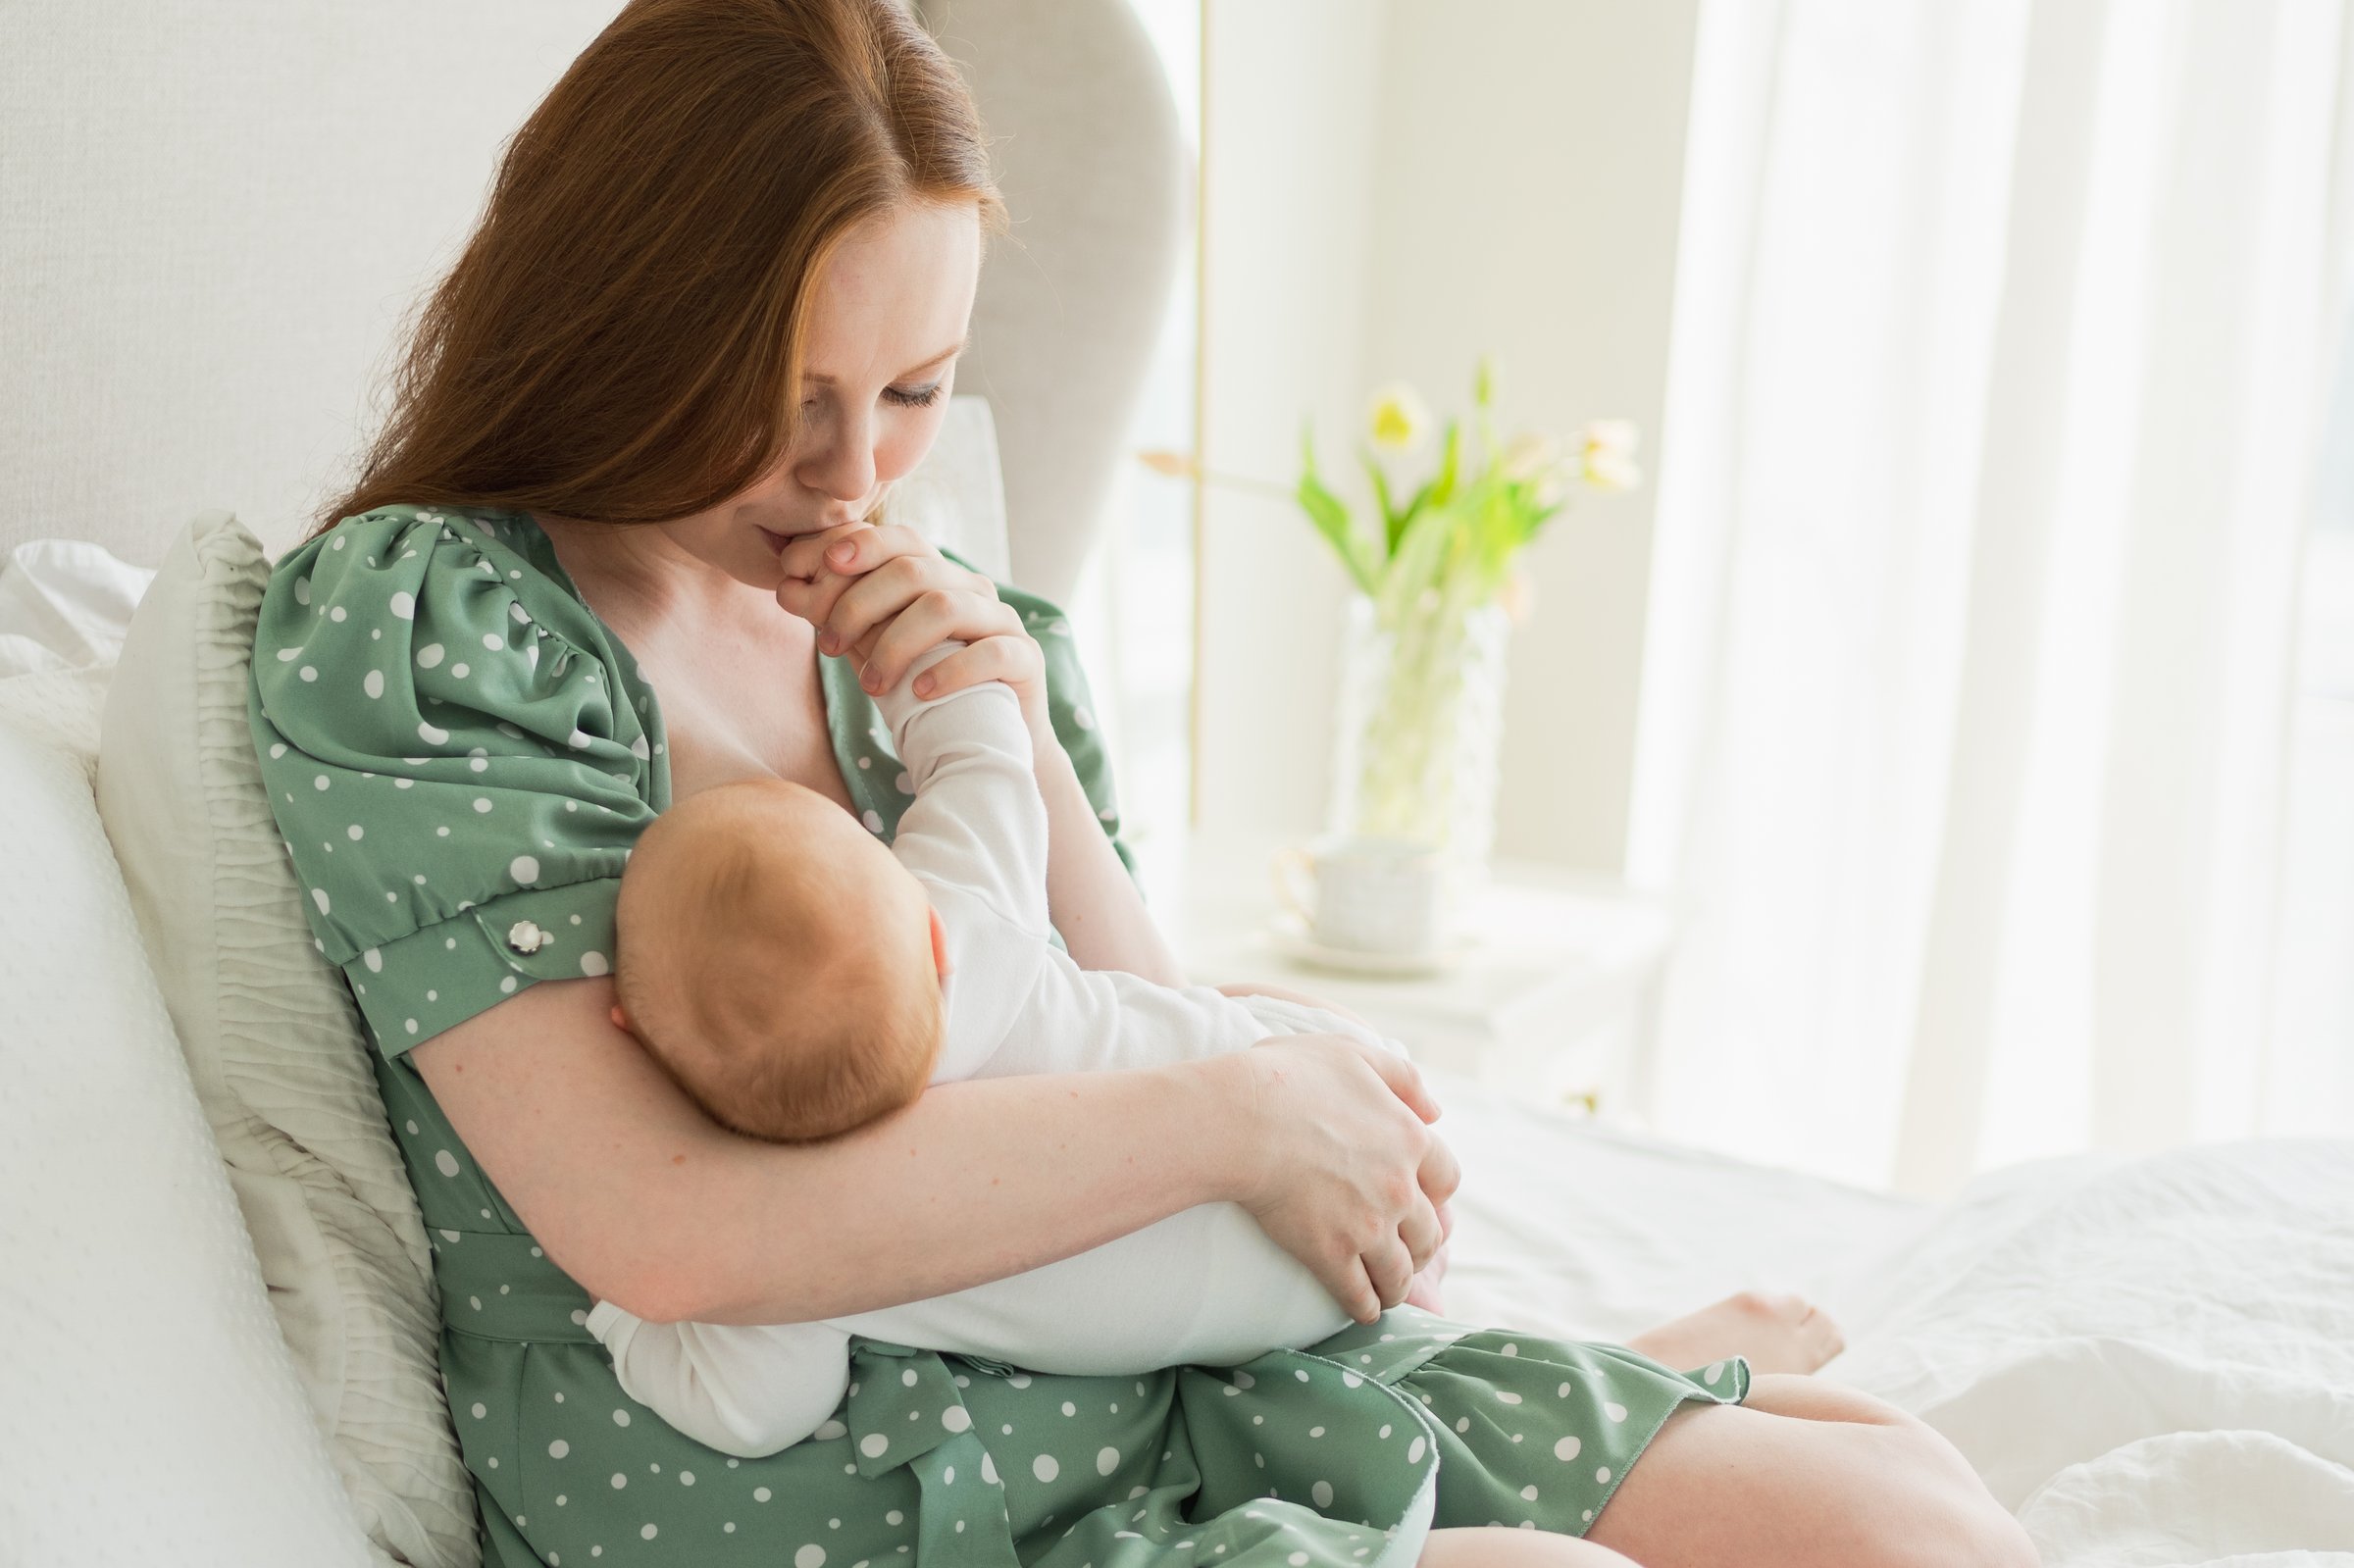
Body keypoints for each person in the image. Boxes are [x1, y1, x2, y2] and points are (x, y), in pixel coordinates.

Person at [246, 1, 2038, 1564]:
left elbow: (1141, 1012)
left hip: (1176, 1369)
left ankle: (1612, 1372)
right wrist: (1254, 1111)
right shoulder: (448, 627)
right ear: (622, 322)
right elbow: (675, 1231)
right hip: (840, 1482)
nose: (850, 473)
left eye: (916, 391)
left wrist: (1004, 716)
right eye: (784, 397)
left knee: (1927, 1525)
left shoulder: (944, 633)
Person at [589, 637, 1409, 1457]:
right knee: (1239, 1009)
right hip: (1339, 1137)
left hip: (1281, 1314)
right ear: (932, 938)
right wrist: (922, 653)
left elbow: (756, 1413)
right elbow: (983, 754)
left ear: (626, 1025)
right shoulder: (974, 922)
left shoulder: (799, 1249)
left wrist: (621, 1312)